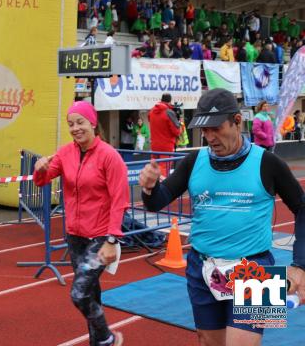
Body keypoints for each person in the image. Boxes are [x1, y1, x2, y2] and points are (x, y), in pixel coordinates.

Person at [139, 88, 305, 346]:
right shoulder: (194, 160)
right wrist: (149, 188)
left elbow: (302, 207)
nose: (209, 137)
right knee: (207, 341)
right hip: (202, 266)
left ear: (237, 121)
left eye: (216, 128)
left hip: (255, 267)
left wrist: (300, 264)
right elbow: (157, 201)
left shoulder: (268, 163)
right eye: (204, 131)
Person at [33, 101, 127, 346]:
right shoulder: (65, 153)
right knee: (91, 293)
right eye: (71, 124)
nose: (75, 128)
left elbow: (120, 200)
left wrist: (111, 240)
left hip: (99, 237)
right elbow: (43, 180)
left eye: (80, 122)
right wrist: (40, 169)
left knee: (79, 293)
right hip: (75, 235)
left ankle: (107, 338)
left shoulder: (109, 156)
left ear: (93, 123)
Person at [148, 93, 181, 175]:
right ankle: (161, 186)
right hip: (167, 146)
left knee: (153, 167)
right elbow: (176, 131)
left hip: (154, 145)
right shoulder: (169, 113)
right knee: (164, 168)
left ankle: (152, 186)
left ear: (161, 99)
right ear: (170, 101)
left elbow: (150, 120)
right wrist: (178, 121)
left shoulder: (152, 111)